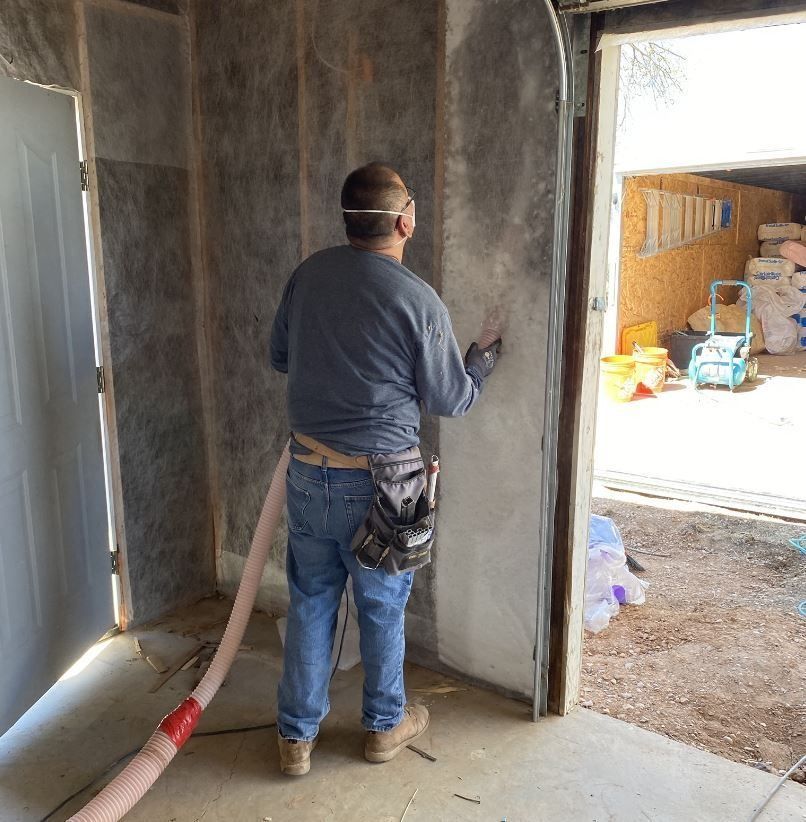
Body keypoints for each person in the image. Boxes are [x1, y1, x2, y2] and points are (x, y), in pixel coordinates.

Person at [270, 162, 501, 775]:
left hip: (307, 474)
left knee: (311, 600)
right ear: (405, 221)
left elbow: (280, 355)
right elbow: (452, 398)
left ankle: (295, 738)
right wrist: (481, 358)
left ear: (348, 218)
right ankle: (383, 726)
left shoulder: (308, 275)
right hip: (384, 487)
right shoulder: (417, 300)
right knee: (380, 606)